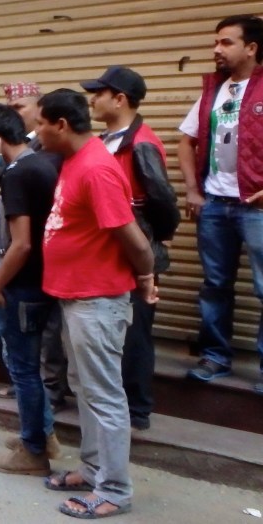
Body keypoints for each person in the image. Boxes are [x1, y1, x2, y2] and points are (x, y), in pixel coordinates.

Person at [36, 89, 157, 519]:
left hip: (98, 300)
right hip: (76, 297)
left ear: (61, 125)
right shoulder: (75, 160)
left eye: (41, 124)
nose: (36, 131)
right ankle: (92, 470)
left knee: (104, 394)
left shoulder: (96, 168)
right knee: (85, 386)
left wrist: (146, 277)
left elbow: (134, 239)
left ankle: (114, 490)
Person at [84, 66, 180, 431]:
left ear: (119, 99)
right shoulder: (105, 140)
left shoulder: (140, 144)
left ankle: (137, 410)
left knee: (135, 332)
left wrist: (155, 239)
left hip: (134, 252)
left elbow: (162, 200)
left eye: (99, 93)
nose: (92, 100)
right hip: (108, 253)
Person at [0, 104, 60, 475]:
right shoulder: (42, 165)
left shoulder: (18, 174)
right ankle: (43, 434)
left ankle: (33, 451)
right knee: (25, 366)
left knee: (23, 369)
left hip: (21, 286)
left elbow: (21, 243)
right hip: (39, 281)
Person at [178, 15, 263, 387]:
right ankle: (215, 357)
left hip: (257, 207)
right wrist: (192, 190)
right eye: (216, 42)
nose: (216, 49)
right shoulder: (213, 90)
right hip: (214, 203)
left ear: (251, 47)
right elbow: (187, 141)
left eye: (226, 42)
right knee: (215, 285)